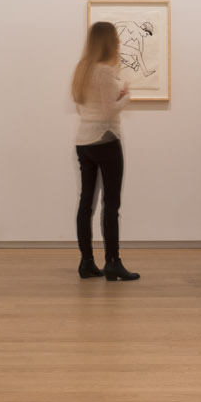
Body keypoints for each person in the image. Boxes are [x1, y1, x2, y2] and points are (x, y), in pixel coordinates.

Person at [71, 21, 138, 281]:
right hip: (106, 139)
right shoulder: (105, 71)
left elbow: (82, 106)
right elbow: (110, 111)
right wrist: (126, 96)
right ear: (109, 42)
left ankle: (86, 262)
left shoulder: (82, 70)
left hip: (83, 141)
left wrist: (114, 97)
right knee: (111, 204)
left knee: (85, 202)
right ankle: (112, 262)